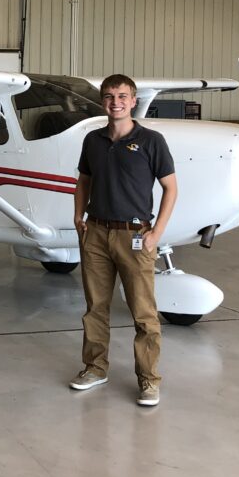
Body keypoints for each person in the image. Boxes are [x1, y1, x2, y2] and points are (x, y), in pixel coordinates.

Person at [69, 74, 178, 407]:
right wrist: (79, 217)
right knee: (95, 310)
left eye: (122, 96)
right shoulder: (93, 141)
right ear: (102, 102)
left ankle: (148, 380)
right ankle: (95, 368)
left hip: (135, 235)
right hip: (96, 234)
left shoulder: (152, 140)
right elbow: (83, 181)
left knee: (144, 314)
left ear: (133, 101)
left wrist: (156, 233)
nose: (115, 102)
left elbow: (170, 188)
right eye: (108, 96)